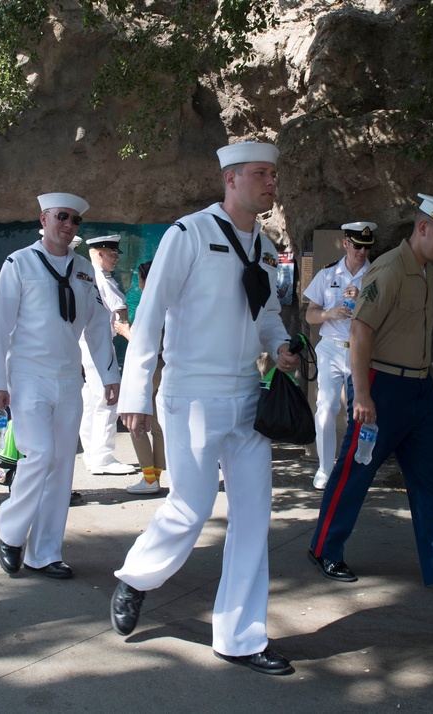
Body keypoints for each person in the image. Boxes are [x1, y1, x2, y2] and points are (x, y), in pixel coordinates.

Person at [111, 141, 300, 676]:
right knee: (190, 508)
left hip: (248, 394)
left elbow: (264, 312)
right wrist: (135, 395)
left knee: (252, 517)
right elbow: (149, 317)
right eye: (261, 174)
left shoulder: (264, 246)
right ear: (231, 179)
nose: (271, 182)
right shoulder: (189, 234)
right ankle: (137, 577)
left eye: (273, 174)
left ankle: (240, 637)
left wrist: (282, 345)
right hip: (191, 393)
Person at [307, 193, 433, 604]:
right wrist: (361, 393)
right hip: (380, 388)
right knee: (354, 472)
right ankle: (324, 548)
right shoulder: (388, 269)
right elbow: (361, 330)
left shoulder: (428, 274)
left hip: (418, 389)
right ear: (422, 227)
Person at [0, 192, 120, 580]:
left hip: (67, 378)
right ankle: (11, 534)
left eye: (75, 220)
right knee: (39, 455)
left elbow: (96, 325)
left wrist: (110, 376)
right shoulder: (20, 262)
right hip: (27, 376)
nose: (68, 225)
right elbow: (0, 325)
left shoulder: (81, 268)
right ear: (43, 219)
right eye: (61, 216)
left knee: (61, 466)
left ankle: (45, 552)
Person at [303, 222, 374, 490]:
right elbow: (310, 315)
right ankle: (324, 467)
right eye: (357, 245)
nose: (362, 252)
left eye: (367, 247)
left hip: (362, 348)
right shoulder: (327, 274)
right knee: (326, 408)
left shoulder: (375, 276)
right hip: (331, 347)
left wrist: (363, 297)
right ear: (346, 243)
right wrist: (328, 314)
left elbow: (387, 313)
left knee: (362, 411)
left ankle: (357, 467)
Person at [79, 234, 136, 475]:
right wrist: (136, 341)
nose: (116, 259)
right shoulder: (101, 278)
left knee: (92, 402)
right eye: (112, 254)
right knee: (107, 399)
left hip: (85, 344)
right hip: (99, 344)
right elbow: (120, 311)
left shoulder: (85, 275)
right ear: (99, 253)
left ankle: (92, 454)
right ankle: (102, 458)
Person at [125, 260, 165, 495]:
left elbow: (142, 343)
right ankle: (155, 477)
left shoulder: (148, 303)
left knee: (135, 422)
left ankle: (149, 478)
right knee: (159, 425)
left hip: (149, 368)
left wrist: (123, 331)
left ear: (143, 279)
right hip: (166, 366)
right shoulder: (172, 301)